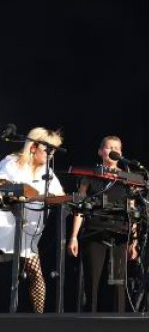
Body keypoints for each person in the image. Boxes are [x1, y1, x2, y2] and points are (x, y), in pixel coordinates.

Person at [0, 127, 65, 312]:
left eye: (53, 151)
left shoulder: (48, 172)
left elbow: (60, 195)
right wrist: (26, 193)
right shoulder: (12, 162)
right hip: (5, 226)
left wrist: (47, 196)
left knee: (36, 274)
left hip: (29, 232)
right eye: (48, 150)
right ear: (33, 147)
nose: (51, 155)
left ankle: (40, 319)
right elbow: (2, 185)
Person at [68, 135, 136, 312]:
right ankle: (90, 321)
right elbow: (80, 208)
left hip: (120, 235)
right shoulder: (89, 176)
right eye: (109, 147)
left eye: (117, 148)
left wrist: (133, 241)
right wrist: (73, 237)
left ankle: (119, 323)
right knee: (92, 281)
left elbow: (133, 212)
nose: (113, 150)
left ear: (121, 153)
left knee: (118, 283)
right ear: (100, 151)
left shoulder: (128, 179)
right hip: (94, 233)